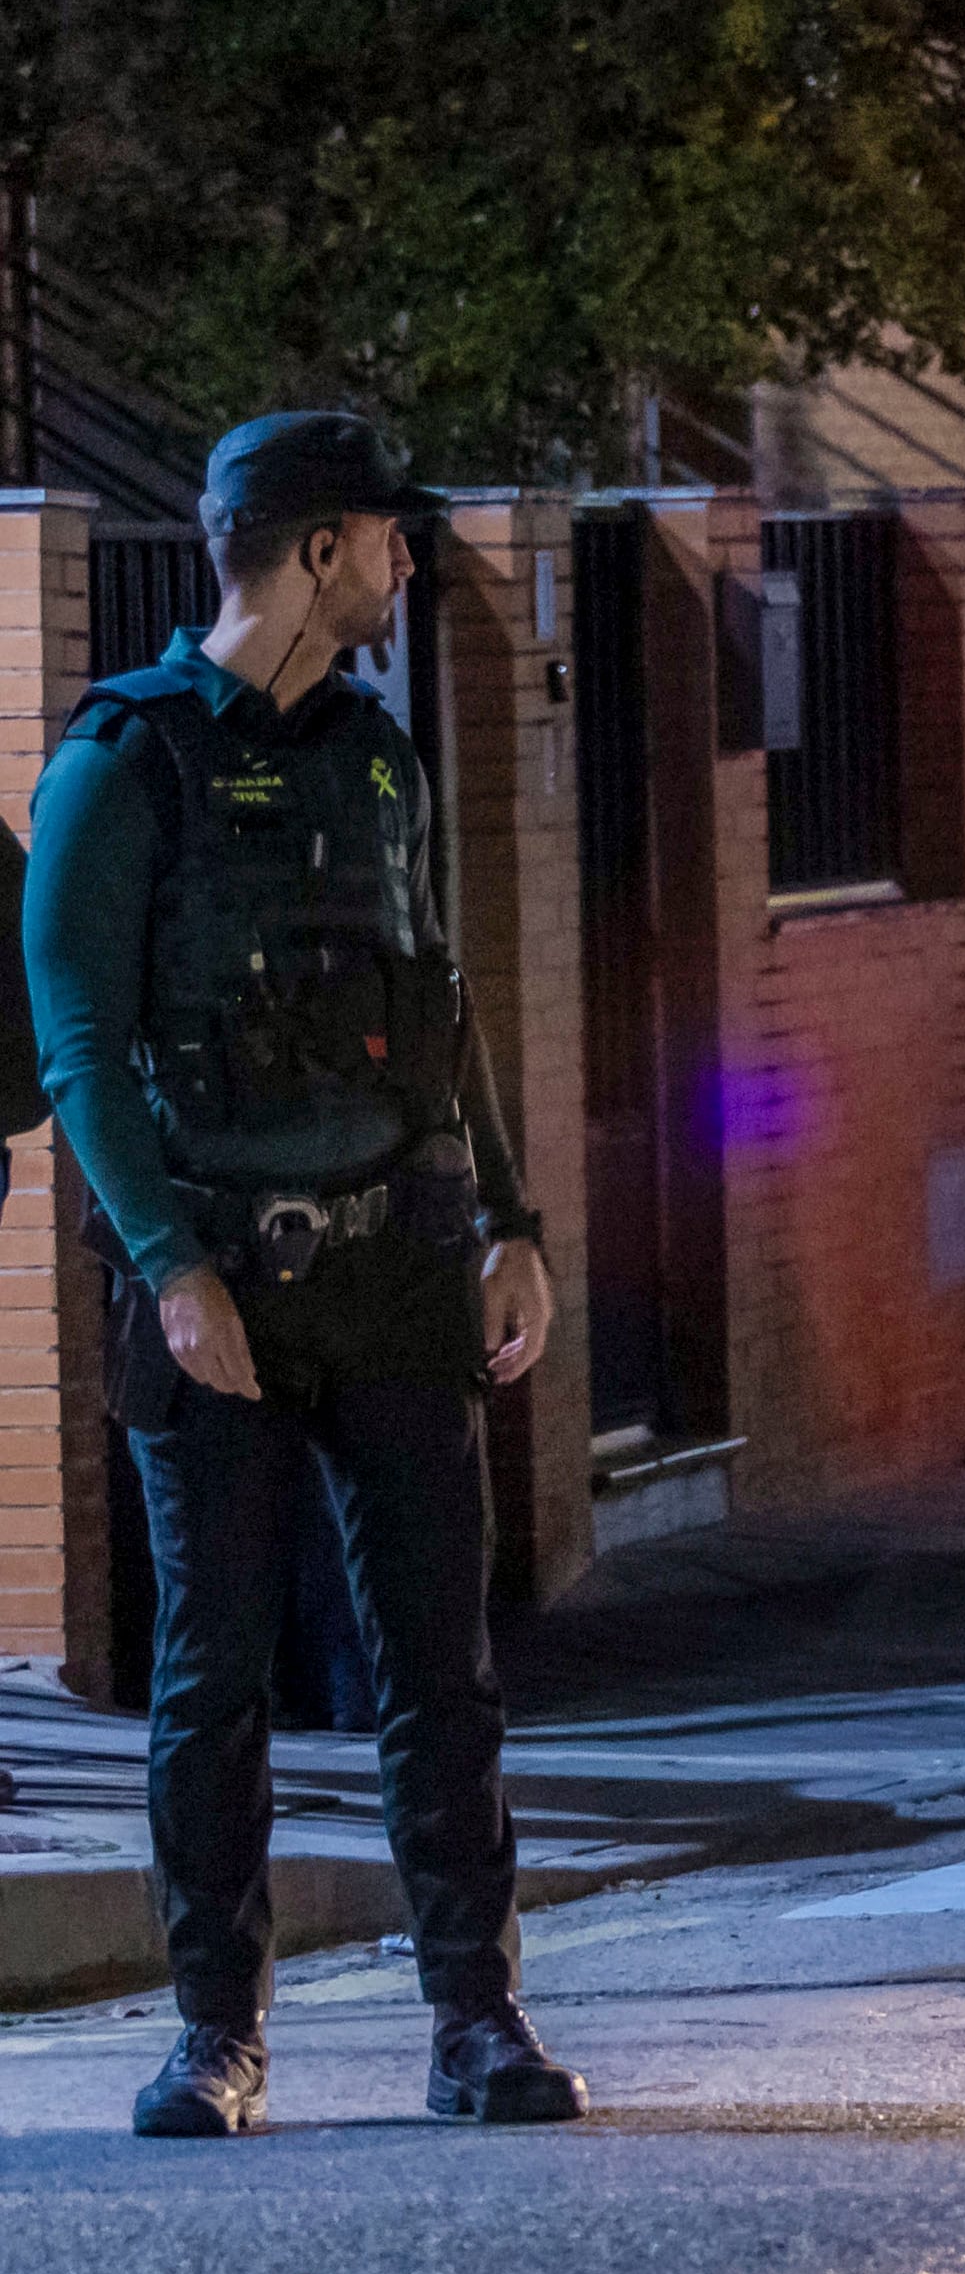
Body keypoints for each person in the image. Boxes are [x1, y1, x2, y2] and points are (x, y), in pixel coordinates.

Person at [30, 409, 577, 2139]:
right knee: (214, 1673)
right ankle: (213, 2028)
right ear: (317, 549)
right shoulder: (125, 761)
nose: (410, 562)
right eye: (389, 537)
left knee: (442, 1664)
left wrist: (509, 1221)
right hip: (221, 1291)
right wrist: (170, 1266)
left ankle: (477, 2018)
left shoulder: (376, 752)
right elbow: (81, 1051)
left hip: (397, 1265)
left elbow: (446, 998)